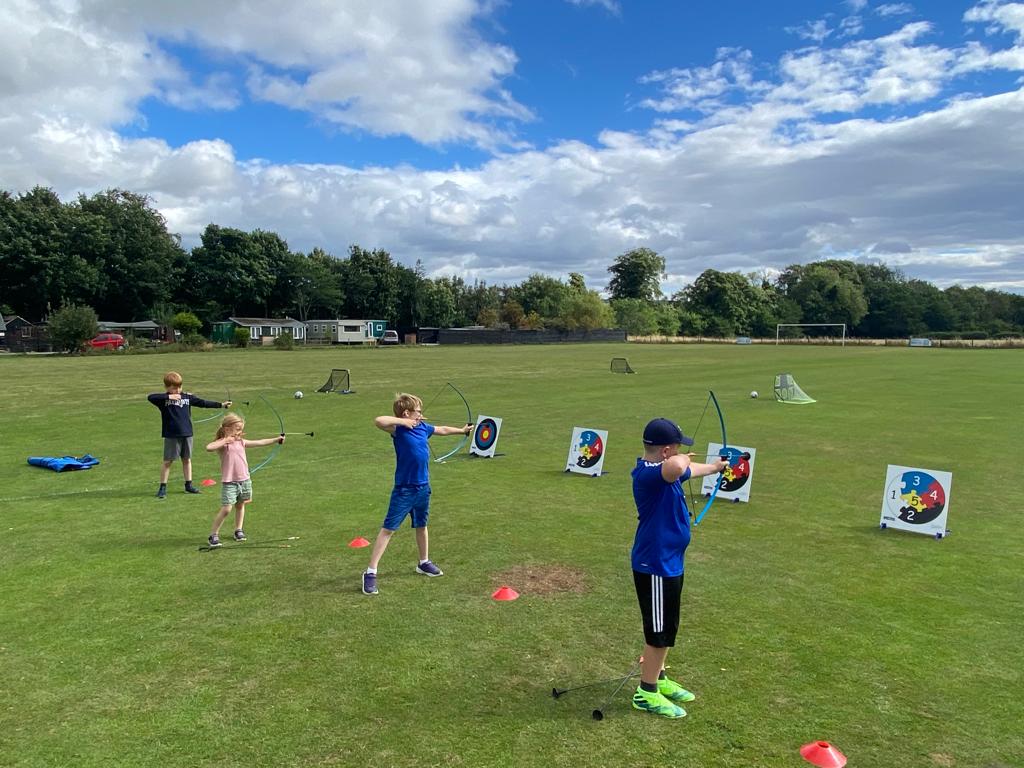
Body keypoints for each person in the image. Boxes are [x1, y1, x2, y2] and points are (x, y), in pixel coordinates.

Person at [630, 417, 728, 718]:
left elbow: (685, 469)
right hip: (655, 565)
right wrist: (680, 458)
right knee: (657, 631)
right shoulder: (648, 474)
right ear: (665, 451)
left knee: (668, 625)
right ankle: (646, 693)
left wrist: (715, 468)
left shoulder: (665, 471)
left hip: (669, 562)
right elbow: (677, 467)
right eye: (677, 448)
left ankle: (658, 676)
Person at [361, 392, 474, 595]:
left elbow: (442, 429)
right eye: (418, 412)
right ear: (407, 413)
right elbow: (379, 420)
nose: (421, 415)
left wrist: (462, 430)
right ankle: (370, 573)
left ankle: (423, 562)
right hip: (404, 489)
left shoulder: (422, 427)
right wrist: (403, 422)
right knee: (388, 530)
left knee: (421, 525)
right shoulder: (398, 430)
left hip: (423, 487)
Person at [204, 413, 284, 548]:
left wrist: (276, 439)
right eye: (237, 429)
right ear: (227, 429)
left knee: (241, 505)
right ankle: (213, 534)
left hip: (244, 480)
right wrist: (225, 440)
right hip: (230, 482)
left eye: (241, 429)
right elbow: (209, 447)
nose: (240, 432)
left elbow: (260, 442)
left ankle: (238, 530)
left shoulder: (241, 442)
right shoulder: (223, 444)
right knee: (226, 509)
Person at [148, 372, 230, 498]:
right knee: (168, 461)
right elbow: (151, 397)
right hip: (171, 434)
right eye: (174, 388)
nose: (178, 390)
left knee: (187, 460)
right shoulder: (163, 400)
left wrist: (221, 405)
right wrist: (169, 397)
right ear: (167, 387)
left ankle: (188, 485)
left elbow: (203, 403)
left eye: (179, 387)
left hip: (187, 433)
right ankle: (162, 487)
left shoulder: (187, 397)